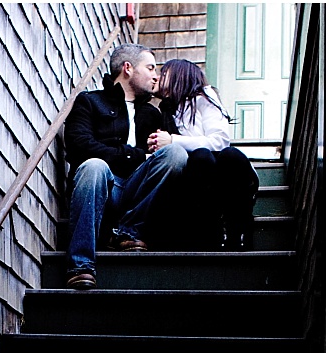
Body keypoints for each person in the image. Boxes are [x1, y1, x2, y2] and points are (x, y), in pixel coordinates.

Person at [64, 43, 189, 289]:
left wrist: (166, 101)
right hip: (102, 188)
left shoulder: (153, 114)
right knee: (94, 166)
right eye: (151, 68)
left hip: (135, 194)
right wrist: (134, 156)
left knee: (174, 152)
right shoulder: (90, 101)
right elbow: (79, 144)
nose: (156, 76)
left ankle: (128, 233)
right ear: (128, 68)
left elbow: (168, 160)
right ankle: (80, 265)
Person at [147, 58, 259, 249]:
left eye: (163, 73)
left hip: (225, 175)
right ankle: (210, 233)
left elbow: (219, 141)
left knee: (225, 155)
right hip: (196, 181)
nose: (157, 77)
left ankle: (236, 230)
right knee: (200, 159)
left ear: (180, 75)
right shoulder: (165, 111)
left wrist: (173, 140)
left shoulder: (204, 96)